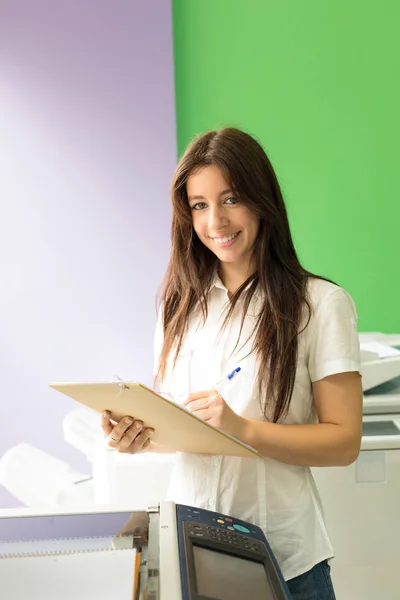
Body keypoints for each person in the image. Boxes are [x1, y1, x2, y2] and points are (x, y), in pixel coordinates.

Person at [101, 127, 363, 599]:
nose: (215, 220)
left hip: (285, 562)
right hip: (192, 555)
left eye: (231, 198)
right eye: (199, 204)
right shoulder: (178, 305)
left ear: (262, 201)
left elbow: (344, 442)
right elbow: (187, 427)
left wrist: (242, 428)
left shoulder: (320, 304)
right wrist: (139, 434)